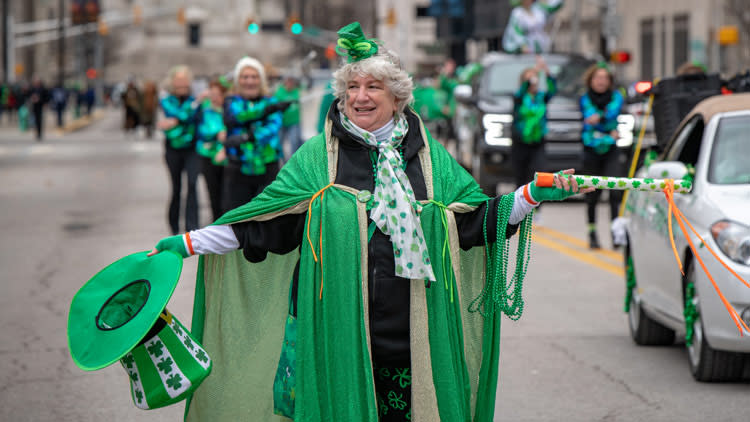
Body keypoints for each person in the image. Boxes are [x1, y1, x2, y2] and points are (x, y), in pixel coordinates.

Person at [147, 23, 589, 421]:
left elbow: (473, 225)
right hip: (336, 334)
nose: (360, 97)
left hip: (412, 335)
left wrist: (529, 196)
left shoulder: (430, 160)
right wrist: (188, 242)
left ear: (397, 97)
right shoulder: (318, 160)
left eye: (373, 86)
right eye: (352, 87)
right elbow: (267, 226)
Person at [221, 56, 283, 212]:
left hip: (267, 165)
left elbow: (273, 127)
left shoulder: (271, 101)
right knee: (238, 218)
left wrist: (248, 137)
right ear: (238, 80)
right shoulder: (230, 101)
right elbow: (235, 117)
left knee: (265, 218)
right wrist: (264, 111)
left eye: (254, 77)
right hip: (238, 166)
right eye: (245, 77)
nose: (250, 81)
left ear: (261, 80)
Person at [579, 62, 625, 249]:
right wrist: (607, 129)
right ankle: (592, 233)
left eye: (605, 78)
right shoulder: (584, 98)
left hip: (611, 151)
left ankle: (616, 234)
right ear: (590, 80)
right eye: (598, 78)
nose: (601, 81)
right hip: (590, 151)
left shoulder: (616, 96)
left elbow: (610, 113)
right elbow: (590, 114)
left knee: (615, 192)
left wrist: (599, 120)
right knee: (592, 195)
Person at [158, 65, 201, 234]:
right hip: (173, 149)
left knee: (192, 184)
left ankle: (192, 227)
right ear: (172, 81)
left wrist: (175, 121)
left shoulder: (194, 99)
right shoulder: (167, 99)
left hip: (193, 149)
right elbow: (179, 113)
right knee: (176, 187)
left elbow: (188, 116)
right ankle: (174, 227)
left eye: (185, 79)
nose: (182, 83)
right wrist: (185, 115)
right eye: (179, 79)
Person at [511, 56, 556, 192]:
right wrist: (534, 72)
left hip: (538, 142)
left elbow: (553, 89)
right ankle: (519, 209)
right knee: (521, 176)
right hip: (521, 142)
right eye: (529, 79)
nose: (533, 81)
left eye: (535, 79)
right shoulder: (519, 97)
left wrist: (545, 71)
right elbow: (522, 90)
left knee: (539, 173)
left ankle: (537, 209)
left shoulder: (541, 97)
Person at [195, 77, 229, 221]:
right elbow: (201, 130)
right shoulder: (205, 108)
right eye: (212, 94)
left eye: (218, 94)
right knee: (213, 193)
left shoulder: (230, 109)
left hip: (228, 156)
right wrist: (218, 133)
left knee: (227, 195)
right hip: (208, 155)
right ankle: (217, 223)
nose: (215, 97)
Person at [274, 74, 303, 159]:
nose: (290, 84)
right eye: (288, 81)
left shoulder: (296, 91)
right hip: (282, 122)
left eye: (291, 82)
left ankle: (293, 160)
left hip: (294, 122)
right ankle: (281, 160)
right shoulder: (279, 92)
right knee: (279, 143)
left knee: (294, 141)